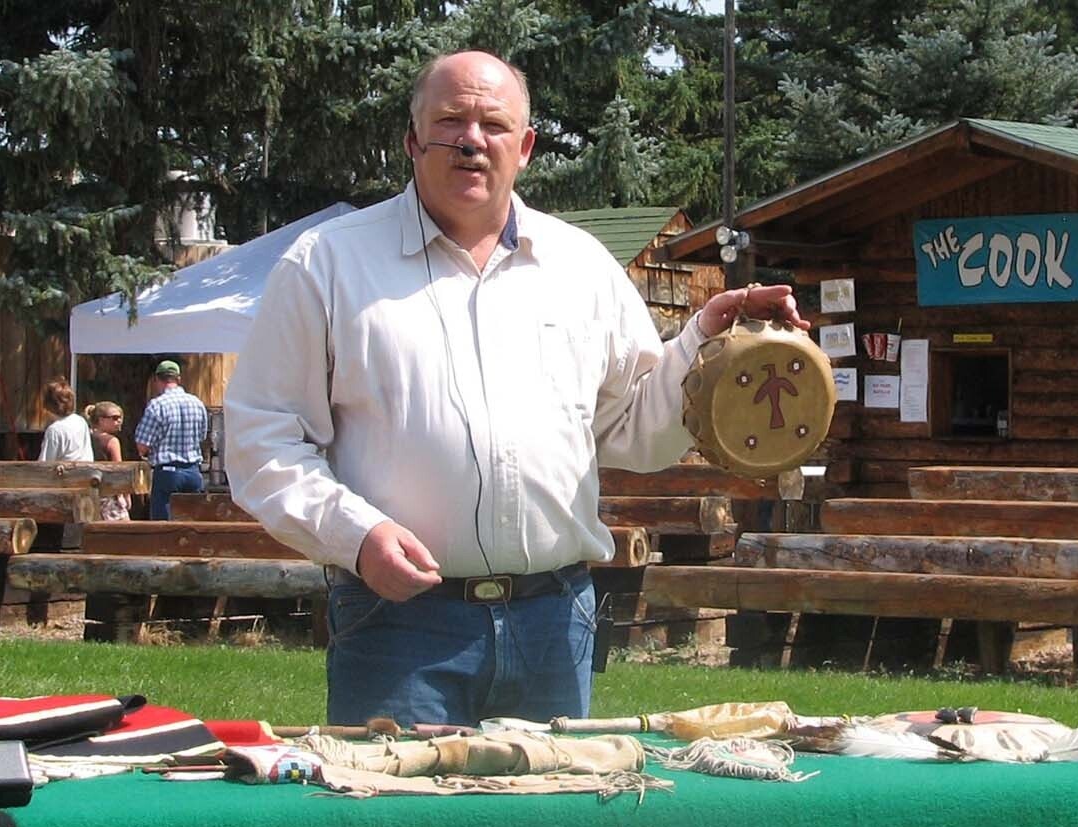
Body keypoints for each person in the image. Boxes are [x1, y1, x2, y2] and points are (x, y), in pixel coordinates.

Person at [224, 49, 804, 728]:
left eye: (494, 124)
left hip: (556, 620)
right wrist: (357, 534)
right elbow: (263, 440)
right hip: (399, 626)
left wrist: (704, 335)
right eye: (450, 120)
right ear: (413, 140)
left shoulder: (580, 265)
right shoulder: (326, 264)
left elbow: (637, 431)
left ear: (525, 147)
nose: (472, 139)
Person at [135, 360, 208, 519]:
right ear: (179, 379)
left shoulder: (157, 405)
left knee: (163, 529)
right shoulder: (197, 403)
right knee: (193, 526)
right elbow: (202, 436)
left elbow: (142, 445)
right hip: (193, 472)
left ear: (157, 380)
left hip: (167, 473)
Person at [86, 401, 132, 521]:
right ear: (101, 420)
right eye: (114, 418)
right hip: (110, 496)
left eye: (120, 418)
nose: (119, 421)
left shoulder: (85, 438)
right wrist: (126, 495)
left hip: (90, 494)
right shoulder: (112, 441)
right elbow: (119, 470)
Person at [37, 377, 94, 462]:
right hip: (85, 471)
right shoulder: (80, 421)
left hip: (65, 473)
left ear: (49, 404)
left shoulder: (54, 430)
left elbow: (45, 463)